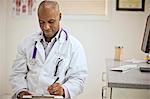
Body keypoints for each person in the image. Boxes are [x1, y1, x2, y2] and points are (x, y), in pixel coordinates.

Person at [10, 0, 88, 99]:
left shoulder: (74, 46)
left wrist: (63, 90)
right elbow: (17, 73)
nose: (46, 27)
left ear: (60, 17)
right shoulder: (27, 43)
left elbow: (78, 79)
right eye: (41, 22)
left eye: (51, 22)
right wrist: (21, 91)